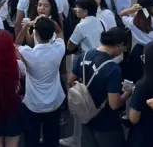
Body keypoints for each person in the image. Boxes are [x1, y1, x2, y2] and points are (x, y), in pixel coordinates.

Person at [71, 27, 132, 147]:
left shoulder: (86, 54)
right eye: (124, 49)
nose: (123, 52)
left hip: (86, 117)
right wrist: (127, 93)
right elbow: (114, 104)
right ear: (119, 45)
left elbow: (70, 79)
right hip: (106, 123)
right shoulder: (112, 68)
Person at [18, 16, 66, 147]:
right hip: (54, 101)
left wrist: (26, 26)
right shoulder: (58, 49)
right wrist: (53, 23)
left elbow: (16, 45)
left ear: (36, 34)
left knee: (31, 137)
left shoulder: (29, 53)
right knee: (52, 137)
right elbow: (60, 33)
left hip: (33, 103)